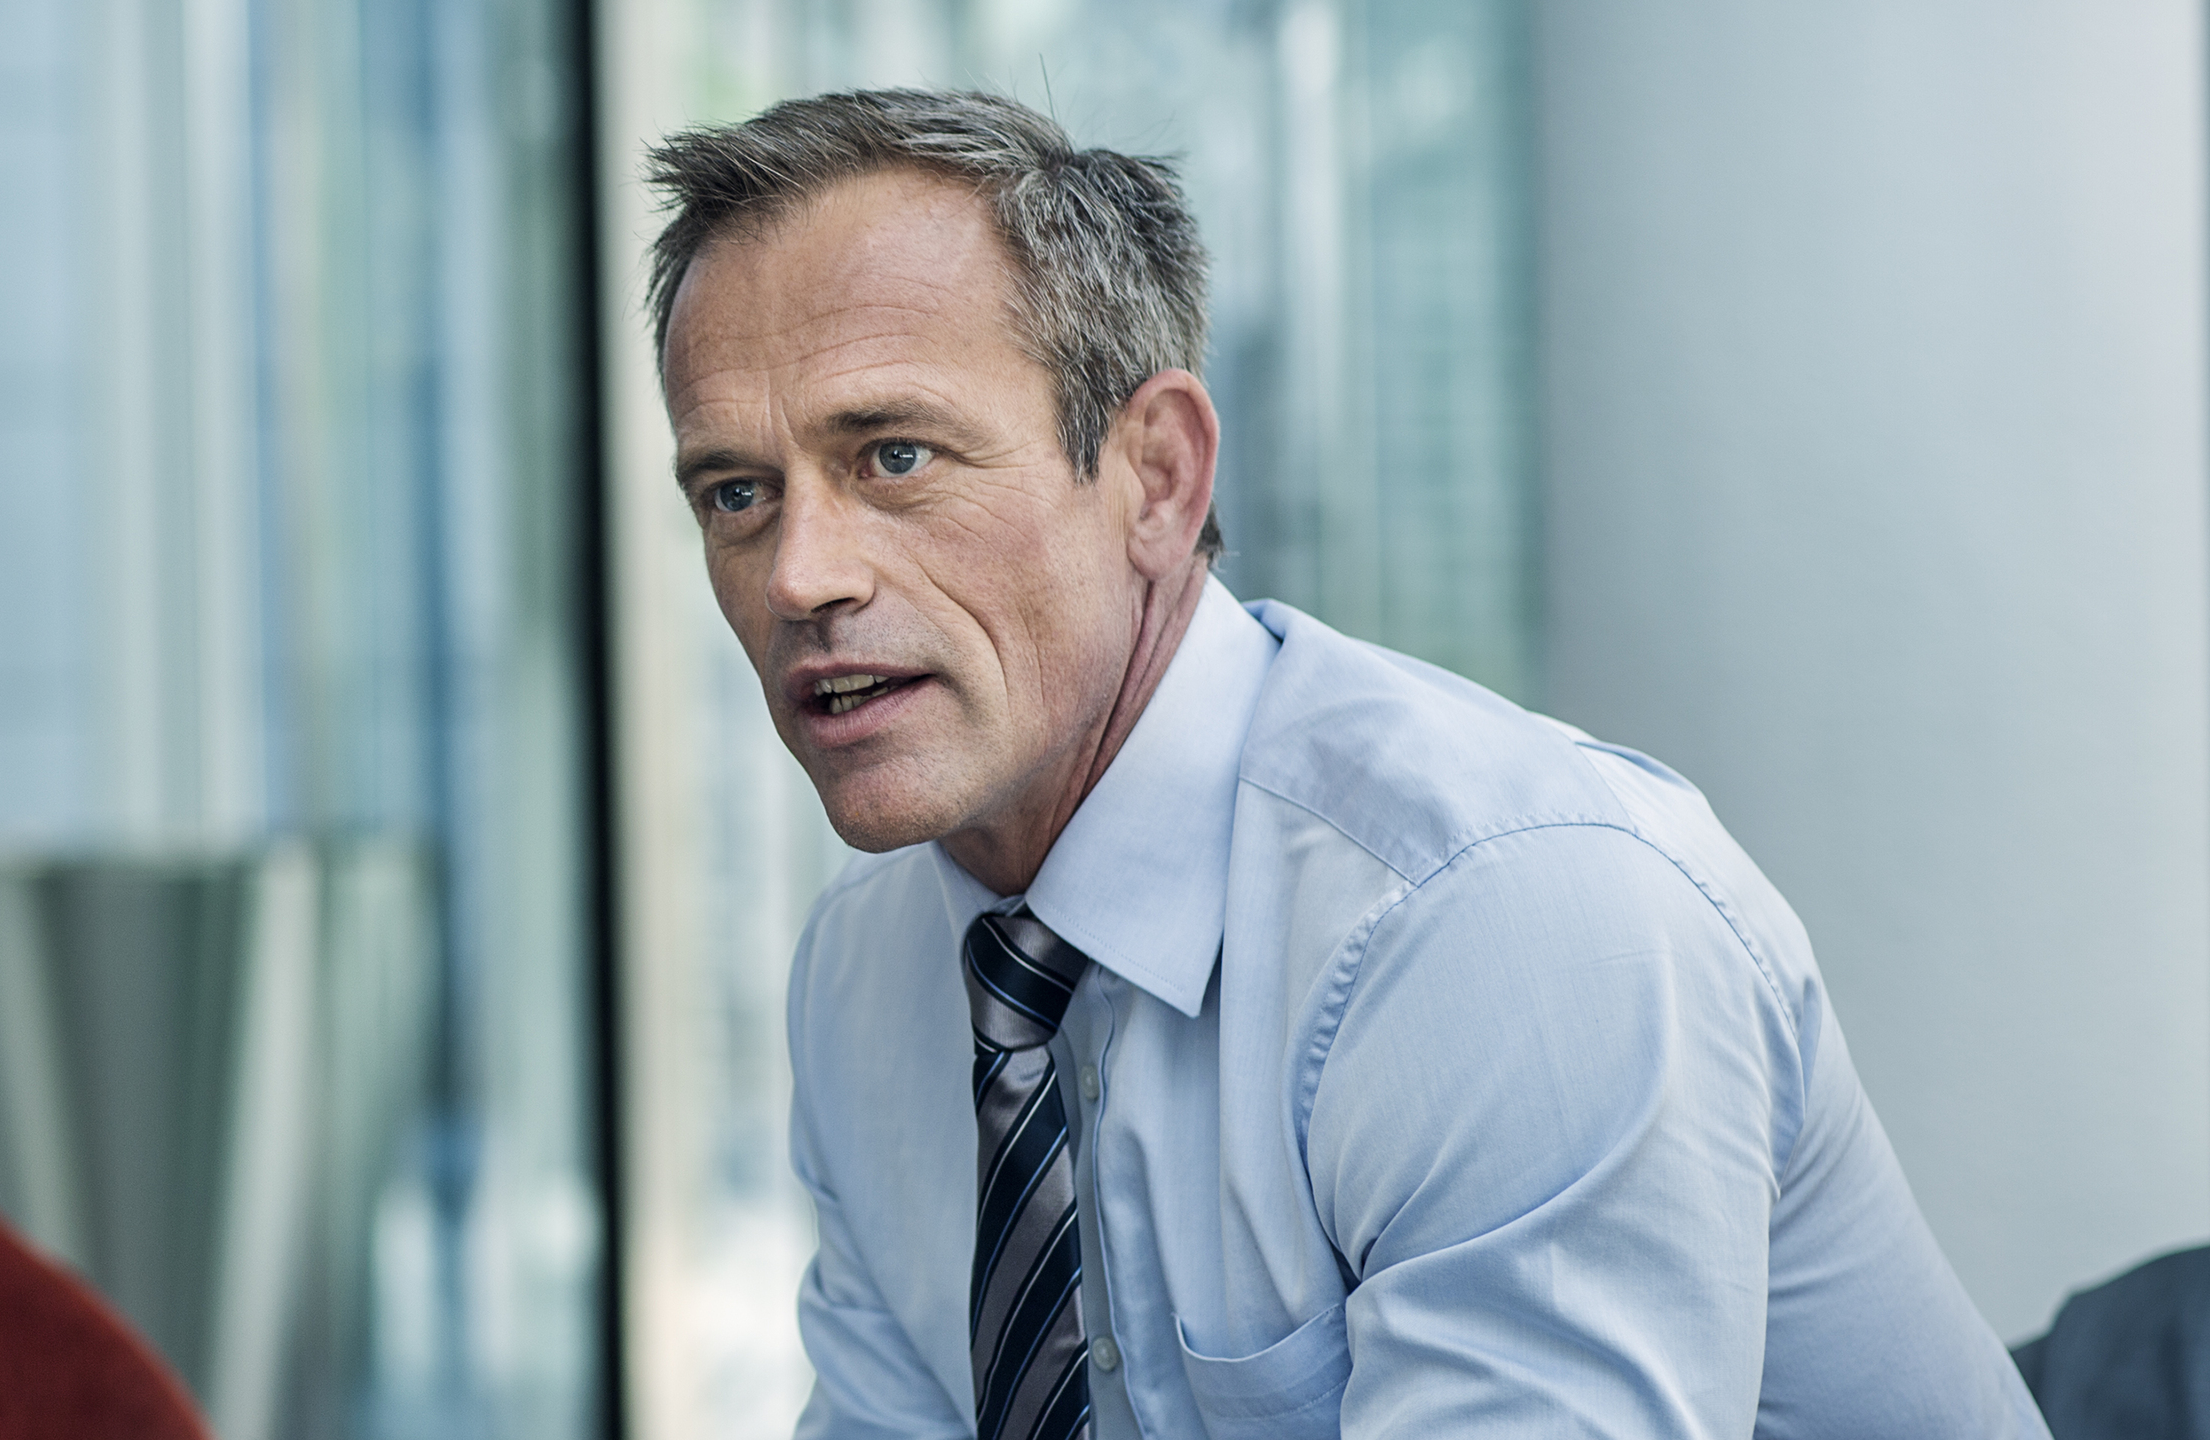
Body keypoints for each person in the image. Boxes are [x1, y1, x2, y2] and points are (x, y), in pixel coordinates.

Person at [643, 89, 2044, 1439]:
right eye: (737, 494)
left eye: (895, 456)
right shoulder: (865, 973)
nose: (798, 578)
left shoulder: (1504, 919)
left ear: (1157, 477)